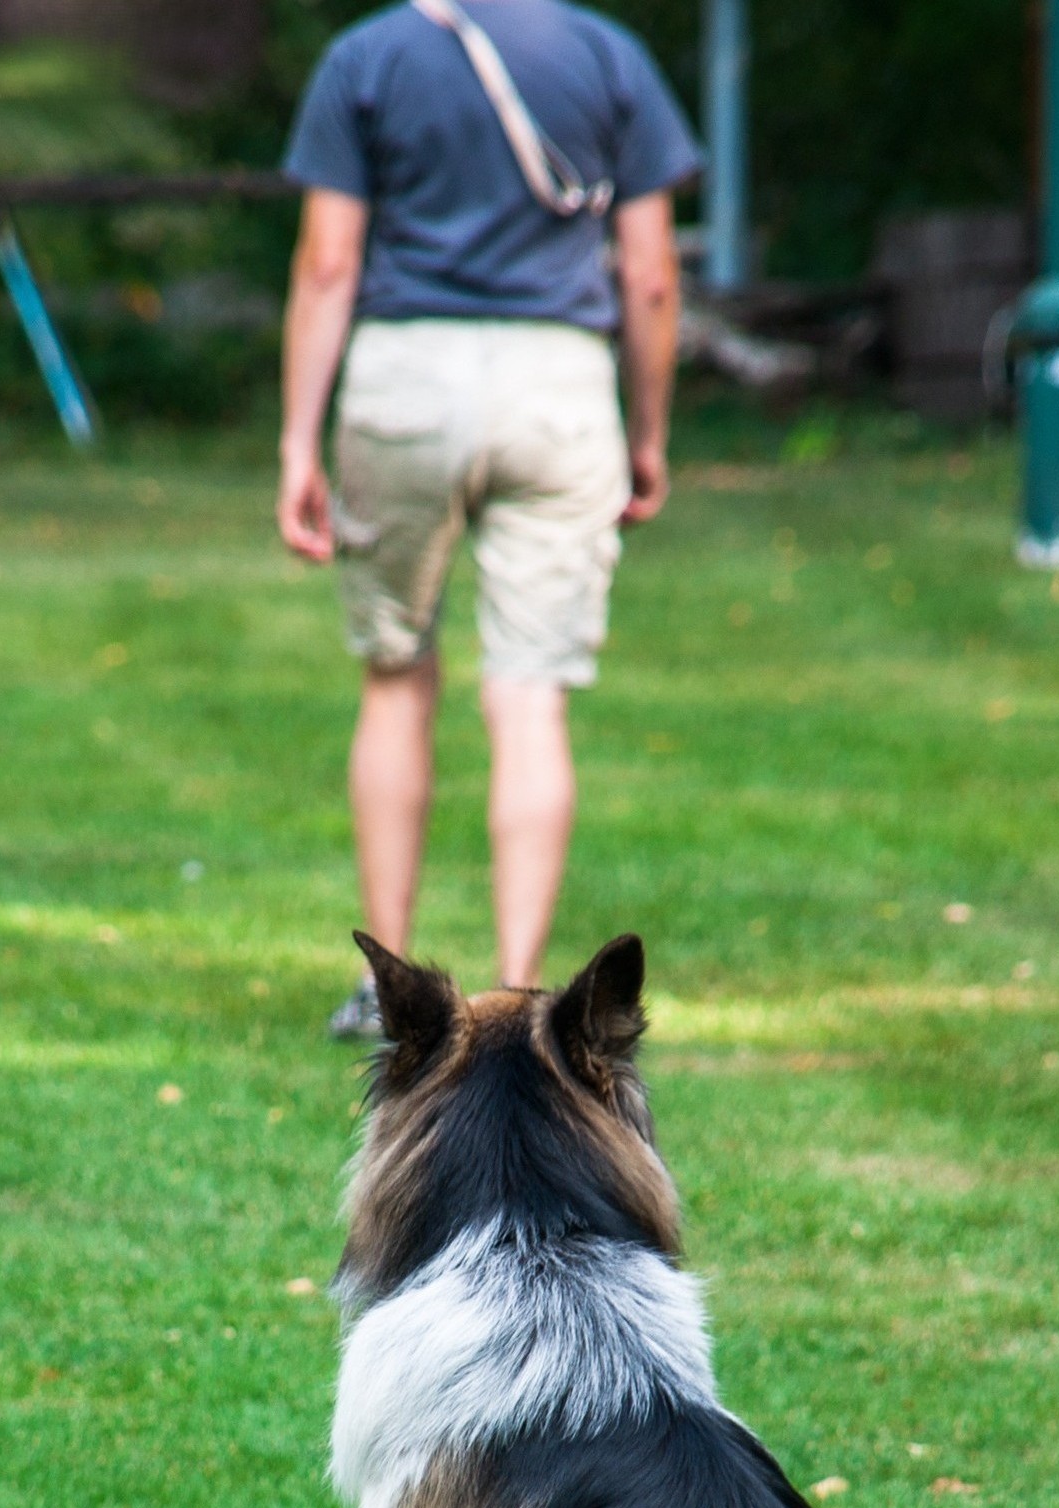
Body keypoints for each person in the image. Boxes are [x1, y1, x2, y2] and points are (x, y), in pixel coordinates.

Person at [276, 0, 701, 1035]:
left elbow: (328, 264)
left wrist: (297, 438)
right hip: (556, 384)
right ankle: (516, 997)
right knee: (528, 697)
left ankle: (391, 1000)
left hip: (404, 376)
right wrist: (646, 429)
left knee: (395, 675)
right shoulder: (606, 57)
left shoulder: (366, 57)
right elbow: (647, 274)